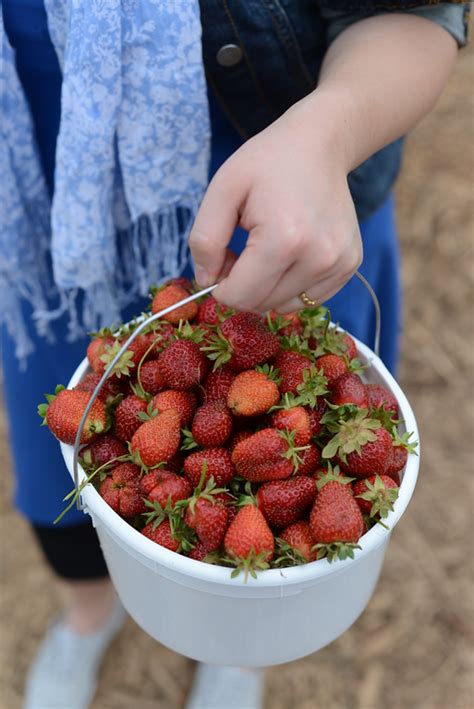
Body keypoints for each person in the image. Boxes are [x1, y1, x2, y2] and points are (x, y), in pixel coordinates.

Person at [0, 2, 469, 708]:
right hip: (54, 220)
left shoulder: (275, 401)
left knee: (303, 389)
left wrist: (328, 131)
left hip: (288, 222)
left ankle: (243, 638)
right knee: (75, 470)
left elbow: (420, 14)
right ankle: (88, 614)